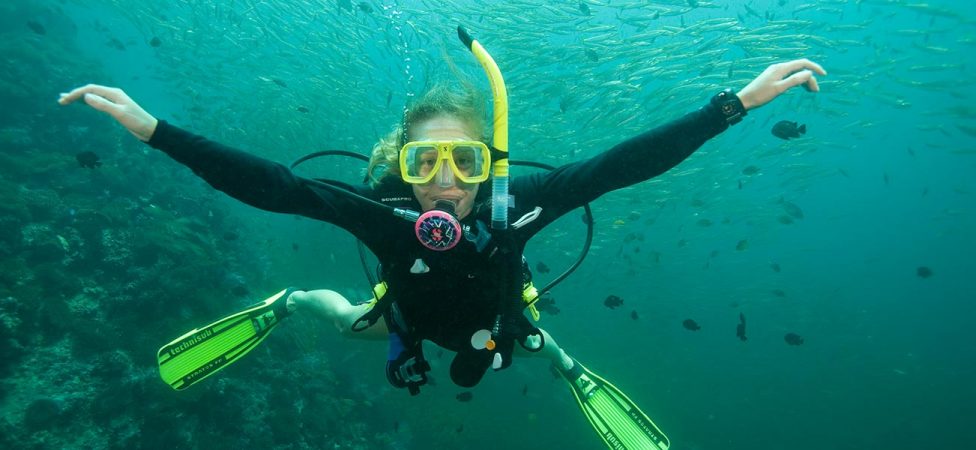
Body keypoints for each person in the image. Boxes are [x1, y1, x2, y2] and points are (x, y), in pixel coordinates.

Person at [60, 45, 824, 446]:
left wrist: (734, 104)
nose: (444, 184)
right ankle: (290, 302)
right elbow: (276, 188)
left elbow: (621, 165)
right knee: (352, 322)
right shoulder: (384, 212)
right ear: (404, 167)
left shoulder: (518, 204)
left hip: (500, 317)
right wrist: (156, 132)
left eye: (463, 161)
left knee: (525, 345)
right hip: (402, 318)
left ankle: (564, 364)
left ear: (487, 165)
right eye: (424, 163)